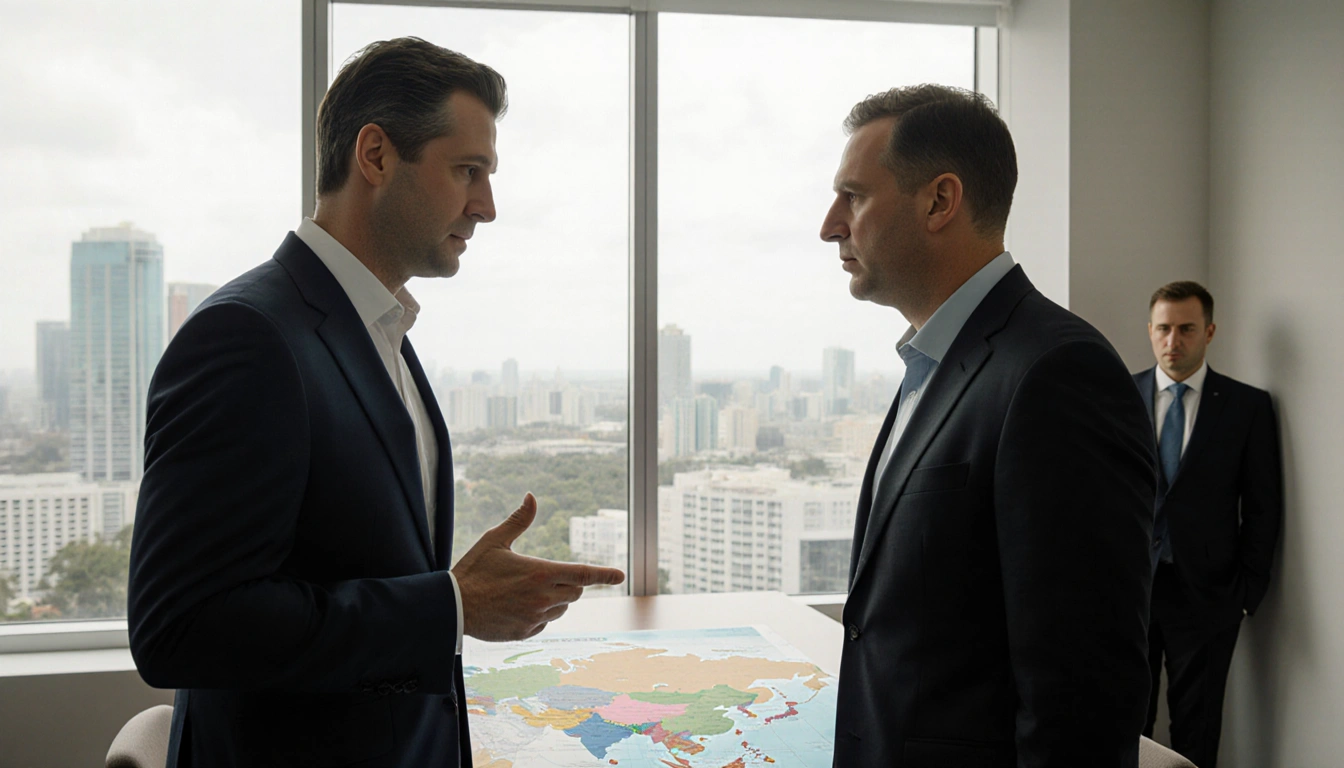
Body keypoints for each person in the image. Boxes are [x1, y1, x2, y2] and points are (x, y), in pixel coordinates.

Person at [127, 38, 624, 767]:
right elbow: (182, 627)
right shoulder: (248, 337)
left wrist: (448, 595)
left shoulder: (378, 327)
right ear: (377, 156)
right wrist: (452, 605)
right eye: (468, 170)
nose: (486, 206)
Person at [820, 84, 1157, 768]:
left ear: (940, 200)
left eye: (853, 196)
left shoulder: (1057, 372)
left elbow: (1083, 695)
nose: (829, 225)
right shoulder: (934, 365)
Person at [1138, 281, 1282, 768]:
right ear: (1150, 331)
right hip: (1133, 590)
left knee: (1196, 732)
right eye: (1163, 329)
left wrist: (1246, 595)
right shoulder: (1119, 395)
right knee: (1125, 724)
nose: (1172, 341)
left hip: (1209, 599)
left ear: (1209, 331)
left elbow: (1264, 507)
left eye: (1186, 329)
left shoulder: (1246, 407)